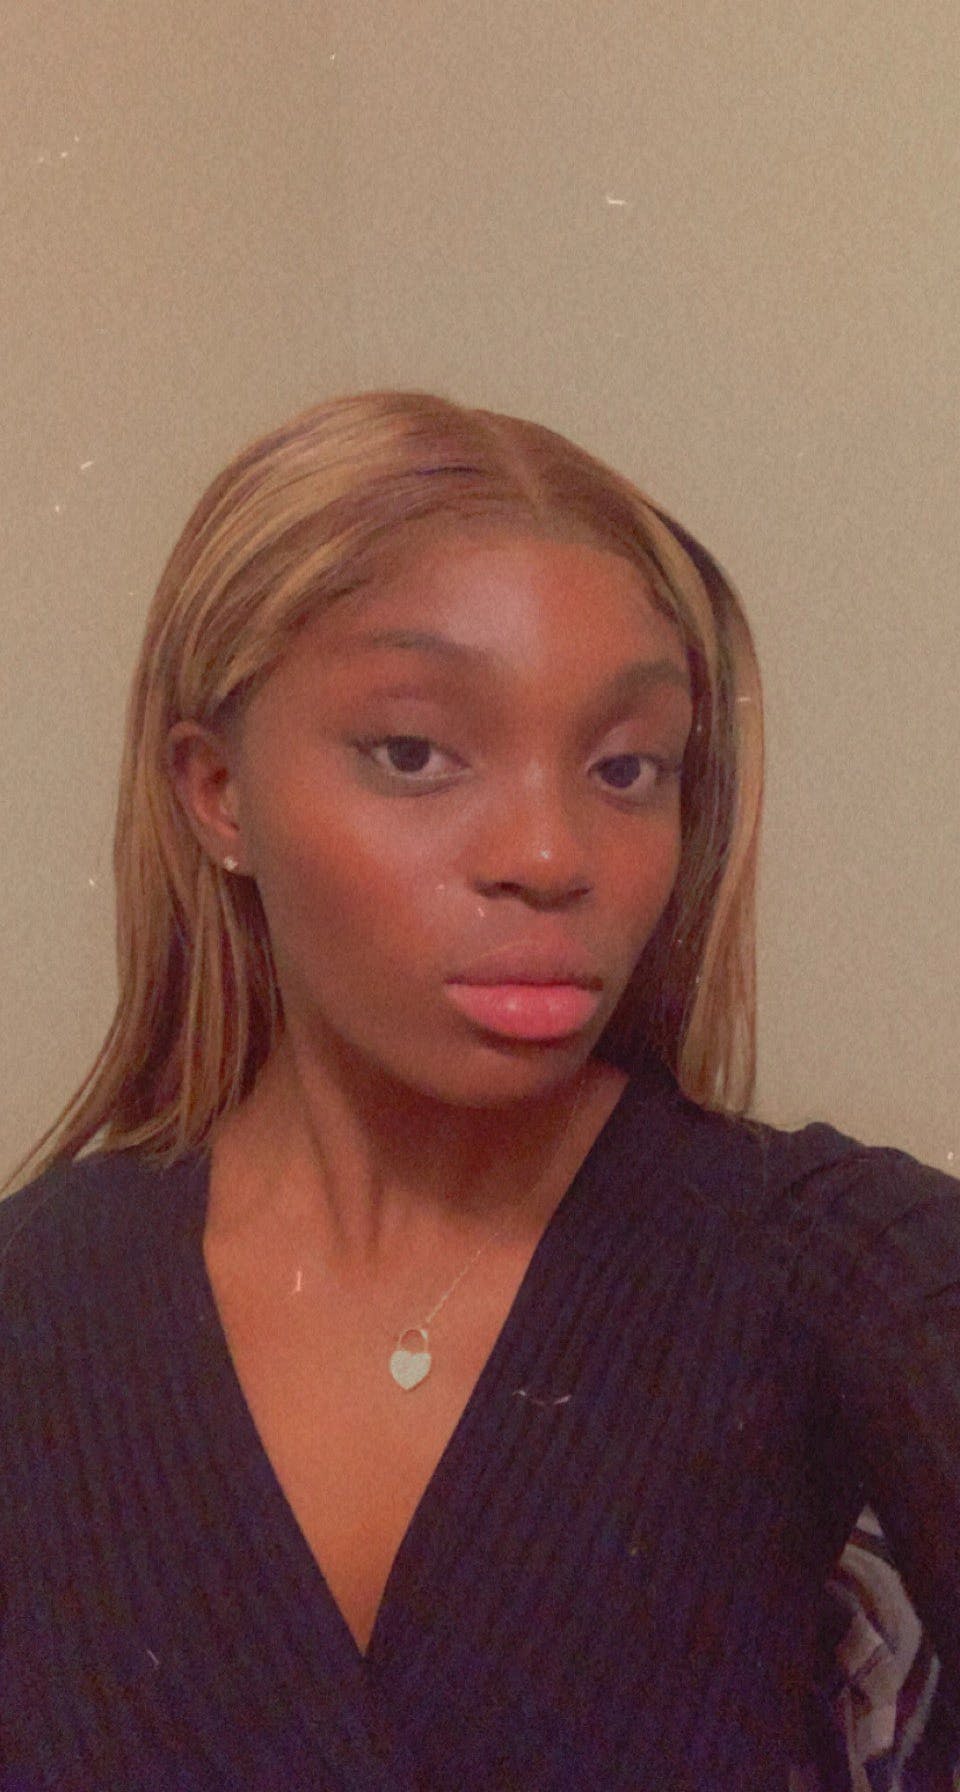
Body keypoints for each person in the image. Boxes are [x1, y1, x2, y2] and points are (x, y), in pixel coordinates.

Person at [1, 389, 957, 1791]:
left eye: (626, 768)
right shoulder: (36, 1306)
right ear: (216, 792)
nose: (551, 855)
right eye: (414, 753)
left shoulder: (846, 1266)